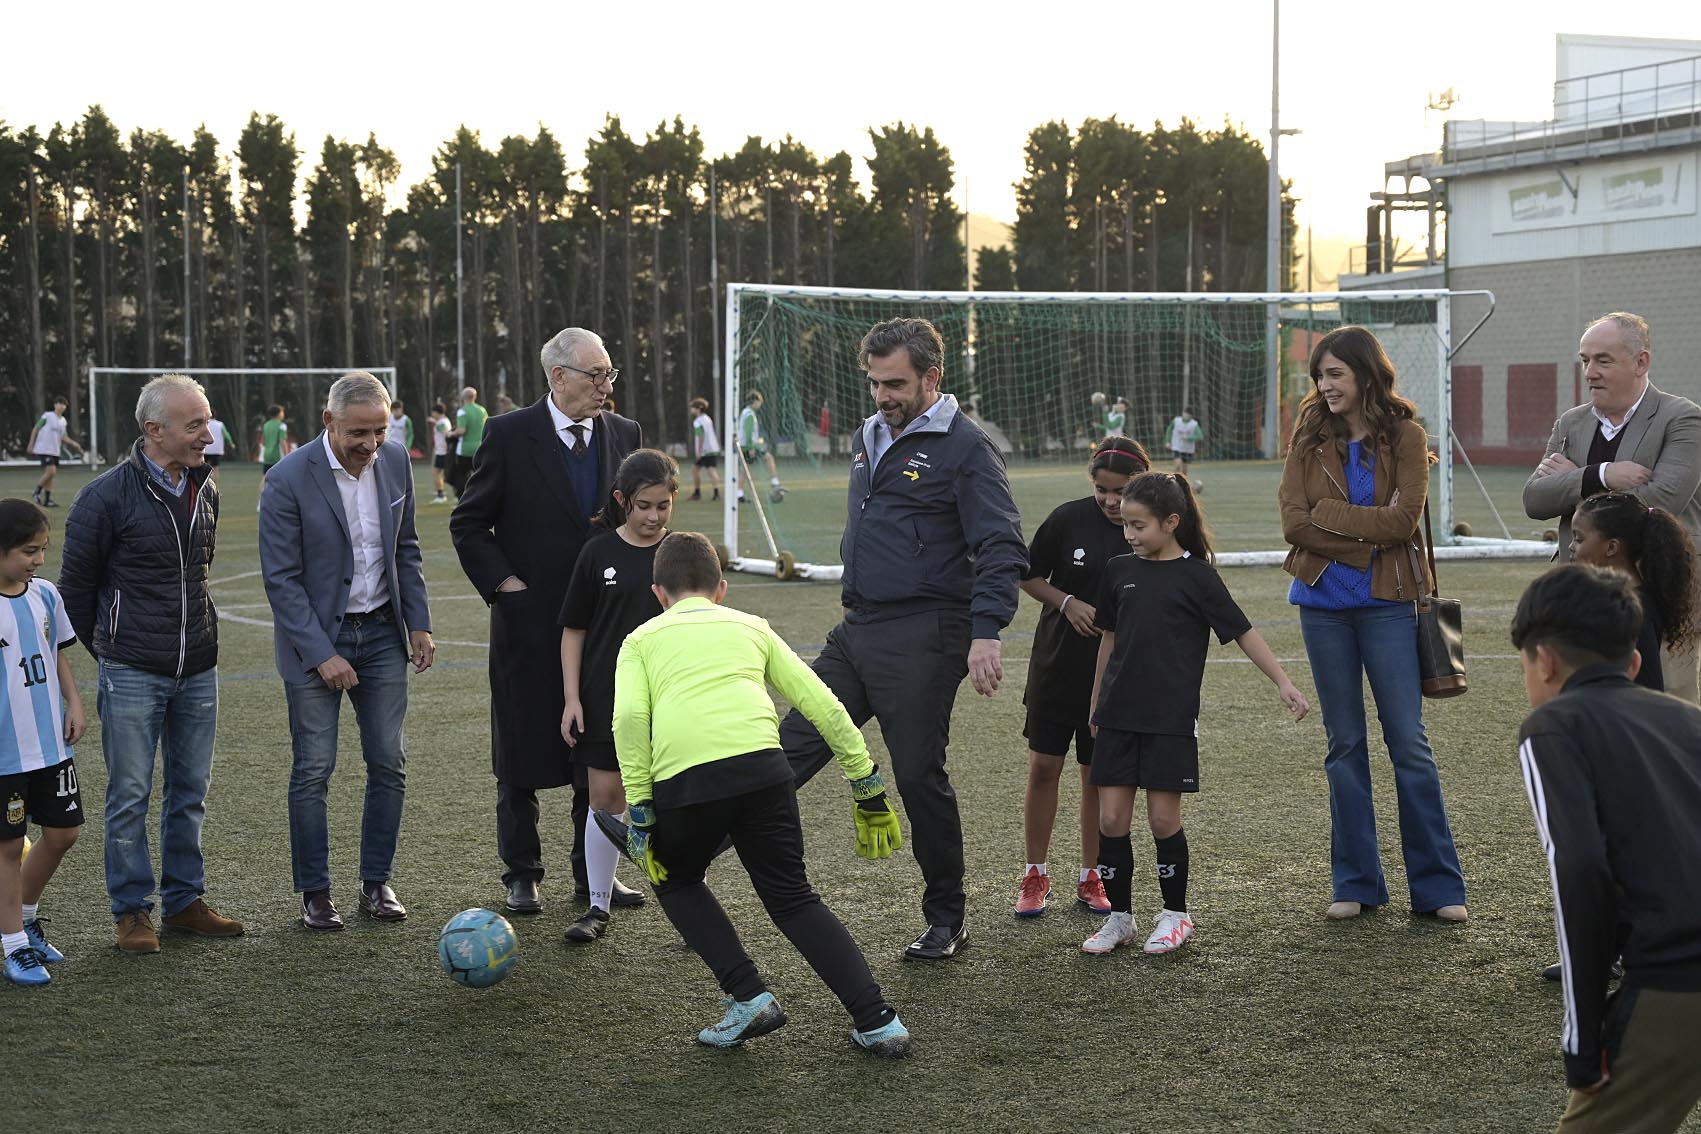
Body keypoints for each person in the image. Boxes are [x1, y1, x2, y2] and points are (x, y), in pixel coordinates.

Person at [602, 532, 910, 1055]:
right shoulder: (752, 626)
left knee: (675, 879)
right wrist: (866, 783)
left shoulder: (640, 640)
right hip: (766, 773)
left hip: (687, 781)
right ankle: (878, 1021)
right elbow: (824, 704)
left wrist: (640, 808)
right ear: (721, 589)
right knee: (793, 899)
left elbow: (629, 720)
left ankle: (747, 997)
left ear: (658, 593)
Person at [778, 317, 1026, 960]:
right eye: (875, 383)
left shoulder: (967, 446)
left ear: (931, 378)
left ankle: (946, 917)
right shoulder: (869, 434)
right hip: (856, 630)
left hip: (926, 632)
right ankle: (686, 870)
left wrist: (986, 632)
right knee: (786, 750)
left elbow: (1000, 544)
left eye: (895, 383)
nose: (883, 396)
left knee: (917, 774)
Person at [450, 328, 644, 917]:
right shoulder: (509, 434)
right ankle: (522, 871)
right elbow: (469, 523)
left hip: (604, 627)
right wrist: (507, 588)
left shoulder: (625, 434)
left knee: (599, 753)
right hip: (529, 628)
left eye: (610, 375)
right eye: (596, 376)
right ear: (557, 376)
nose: (605, 388)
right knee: (521, 752)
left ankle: (596, 876)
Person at [1278, 326, 1468, 924]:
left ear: (1364, 373)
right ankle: (1356, 883)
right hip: (1321, 606)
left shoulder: (1405, 436)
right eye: (1319, 376)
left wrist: (1333, 521)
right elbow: (1292, 524)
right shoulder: (1308, 437)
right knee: (1344, 745)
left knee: (1408, 744)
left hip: (1390, 603)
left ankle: (1438, 889)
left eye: (1335, 373)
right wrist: (1360, 533)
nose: (1325, 385)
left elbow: (1403, 521)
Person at [1081, 473, 1309, 955]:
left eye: (1139, 526)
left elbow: (1244, 631)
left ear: (1171, 522)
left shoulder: (1198, 576)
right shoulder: (1119, 570)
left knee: (1163, 821)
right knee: (1112, 820)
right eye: (1125, 526)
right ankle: (1119, 919)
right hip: (1118, 715)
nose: (1130, 535)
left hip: (1170, 720)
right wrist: (1096, 701)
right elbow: (1109, 638)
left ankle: (1175, 915)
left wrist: (1284, 683)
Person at [58, 373, 245, 954]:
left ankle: (185, 901)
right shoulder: (103, 496)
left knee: (190, 790)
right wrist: (116, 654)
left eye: (207, 420)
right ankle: (132, 911)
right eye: (195, 425)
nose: (207, 434)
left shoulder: (206, 487)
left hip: (200, 668)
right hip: (133, 670)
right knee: (131, 794)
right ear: (152, 430)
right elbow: (74, 595)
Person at [1511, 564, 1701, 1132]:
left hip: (1679, 976)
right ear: (1634, 662)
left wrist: (1583, 1038)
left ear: (1543, 660)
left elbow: (1581, 871)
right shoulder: (1690, 722)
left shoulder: (1553, 728)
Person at [259, 372, 435, 931]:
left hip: (383, 634)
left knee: (389, 762)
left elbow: (405, 548)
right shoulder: (287, 478)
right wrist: (320, 654)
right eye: (358, 432)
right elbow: (281, 580)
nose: (370, 444)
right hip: (319, 641)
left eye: (380, 431)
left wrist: (420, 624)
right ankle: (315, 893)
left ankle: (377, 883)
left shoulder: (396, 460)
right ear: (328, 421)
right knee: (314, 768)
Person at [1523, 312, 1701, 703]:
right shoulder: (1570, 423)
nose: (1590, 372)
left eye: (1604, 360)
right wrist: (1600, 475)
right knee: (1578, 701)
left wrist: (1572, 484)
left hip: (1658, 592)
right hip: (1583, 592)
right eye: (1585, 360)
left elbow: (1662, 502)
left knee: (1667, 706)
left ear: (1641, 362)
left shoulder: (1682, 418)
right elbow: (1534, 499)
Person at [1013, 437, 1151, 919]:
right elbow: (1027, 575)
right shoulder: (1067, 518)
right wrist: (1066, 602)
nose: (1111, 501)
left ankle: (1091, 876)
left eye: (1121, 491)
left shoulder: (1147, 527)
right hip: (1056, 666)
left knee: (1097, 777)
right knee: (1044, 768)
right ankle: (1035, 873)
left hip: (1115, 677)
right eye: (1101, 490)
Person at [558, 449, 676, 944]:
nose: (653, 517)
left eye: (663, 507)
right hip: (606, 697)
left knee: (677, 802)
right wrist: (571, 699)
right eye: (644, 506)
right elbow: (574, 630)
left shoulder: (684, 553)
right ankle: (597, 906)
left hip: (672, 699)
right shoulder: (598, 553)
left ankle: (689, 907)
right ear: (622, 500)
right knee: (606, 800)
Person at [0, 500, 86, 986]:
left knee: (63, 834)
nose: (37, 559)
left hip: (52, 745)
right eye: (28, 551)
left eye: (42, 550)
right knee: (9, 847)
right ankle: (12, 945)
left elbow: (57, 656)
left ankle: (25, 917)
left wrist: (73, 703)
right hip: (6, 752)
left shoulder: (47, 595)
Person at [1566, 492, 1699, 694]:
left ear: (1611, 547)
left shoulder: (1634, 611)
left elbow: (1647, 690)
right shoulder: (1610, 598)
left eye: (1579, 538)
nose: (1571, 546)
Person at [28, 396, 83, 508]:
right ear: (55, 405)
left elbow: (64, 437)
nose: (61, 406)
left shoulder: (63, 421)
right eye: (59, 403)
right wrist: (31, 444)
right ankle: (36, 492)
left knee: (51, 475)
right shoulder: (47, 416)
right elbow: (36, 428)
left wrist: (74, 444)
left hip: (55, 450)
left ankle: (47, 500)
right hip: (44, 448)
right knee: (51, 471)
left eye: (64, 404)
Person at [737, 390, 786, 502]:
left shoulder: (745, 412)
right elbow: (748, 431)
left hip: (745, 445)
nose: (760, 404)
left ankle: (739, 494)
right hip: (748, 446)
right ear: (755, 401)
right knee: (769, 458)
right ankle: (775, 482)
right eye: (759, 402)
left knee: (745, 470)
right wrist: (751, 448)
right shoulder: (749, 414)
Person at [446, 386, 487, 501]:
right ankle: (482, 497)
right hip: (480, 447)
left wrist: (450, 434)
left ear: (463, 397)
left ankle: (462, 499)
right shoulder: (482, 410)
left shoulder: (463, 411)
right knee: (480, 475)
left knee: (461, 476)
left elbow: (461, 431)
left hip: (464, 450)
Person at [687, 397, 723, 502]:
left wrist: (699, 451)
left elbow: (701, 436)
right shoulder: (707, 418)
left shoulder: (698, 421)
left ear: (699, 408)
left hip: (705, 450)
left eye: (693, 408)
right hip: (713, 448)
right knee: (704, 470)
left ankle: (698, 493)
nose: (691, 410)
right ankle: (715, 494)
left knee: (702, 470)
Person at [1168, 407, 1202, 483]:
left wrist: (1189, 437)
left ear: (1191, 416)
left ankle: (1182, 485)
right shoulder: (1176, 421)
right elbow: (1169, 429)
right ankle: (1171, 482)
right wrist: (1167, 441)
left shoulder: (1194, 424)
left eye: (1188, 414)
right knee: (1177, 465)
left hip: (1187, 450)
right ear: (1183, 413)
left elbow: (1200, 436)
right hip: (1177, 447)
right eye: (1185, 413)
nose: (1186, 415)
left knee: (1184, 471)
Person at [202, 411, 234, 488]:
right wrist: (231, 443)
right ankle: (215, 489)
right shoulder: (220, 424)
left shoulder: (204, 424)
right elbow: (226, 435)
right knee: (216, 468)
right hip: (217, 450)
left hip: (205, 449)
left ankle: (203, 488)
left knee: (203, 469)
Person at [428, 402, 451, 503]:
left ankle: (441, 495)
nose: (432, 414)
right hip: (441, 451)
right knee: (440, 474)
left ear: (437, 412)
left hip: (443, 452)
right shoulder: (442, 421)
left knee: (436, 473)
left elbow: (446, 432)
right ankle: (442, 494)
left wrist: (447, 447)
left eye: (433, 412)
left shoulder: (442, 423)